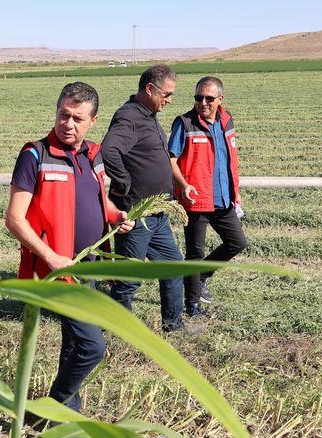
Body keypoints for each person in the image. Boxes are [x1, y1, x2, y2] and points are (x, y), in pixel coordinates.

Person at [5, 82, 133, 412]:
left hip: (87, 265)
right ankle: (52, 408)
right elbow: (15, 219)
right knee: (91, 346)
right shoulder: (35, 155)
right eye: (64, 115)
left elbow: (98, 198)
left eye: (77, 118)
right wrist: (51, 257)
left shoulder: (93, 154)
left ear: (93, 120)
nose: (68, 124)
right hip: (57, 272)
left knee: (75, 343)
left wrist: (117, 215)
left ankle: (64, 415)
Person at [101, 64, 186, 332]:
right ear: (150, 89)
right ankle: (117, 327)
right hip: (137, 215)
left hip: (156, 215)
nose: (170, 100)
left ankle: (173, 324)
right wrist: (124, 183)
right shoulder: (129, 117)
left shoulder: (147, 115)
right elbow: (109, 150)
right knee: (129, 279)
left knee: (173, 267)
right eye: (167, 94)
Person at [168, 76, 247, 316]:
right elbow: (170, 159)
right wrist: (183, 185)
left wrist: (236, 193)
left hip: (223, 198)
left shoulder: (226, 120)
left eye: (209, 98)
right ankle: (192, 305)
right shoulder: (185, 123)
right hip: (196, 200)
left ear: (220, 99)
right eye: (198, 97)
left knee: (237, 242)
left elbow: (230, 160)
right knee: (195, 253)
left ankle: (199, 276)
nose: (202, 102)